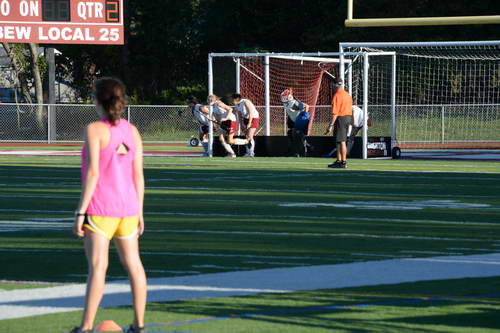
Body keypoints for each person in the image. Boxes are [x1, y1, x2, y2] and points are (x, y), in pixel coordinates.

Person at [72, 78, 147, 333]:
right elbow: (139, 175)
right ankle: (139, 325)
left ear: (98, 100)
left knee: (97, 268)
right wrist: (140, 211)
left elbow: (93, 173)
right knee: (134, 266)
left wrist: (80, 211)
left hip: (100, 207)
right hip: (128, 208)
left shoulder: (94, 129)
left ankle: (85, 327)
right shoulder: (132, 131)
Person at [324, 78, 353, 168]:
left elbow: (335, 113)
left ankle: (343, 162)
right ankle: (339, 160)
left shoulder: (337, 95)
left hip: (341, 117)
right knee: (338, 140)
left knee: (342, 141)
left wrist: (331, 125)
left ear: (335, 84)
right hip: (348, 117)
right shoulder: (347, 95)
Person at [280, 88, 309, 157]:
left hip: (300, 121)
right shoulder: (287, 103)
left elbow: (306, 106)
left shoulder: (293, 102)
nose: (283, 97)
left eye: (285, 96)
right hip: (294, 120)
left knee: (297, 136)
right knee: (291, 134)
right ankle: (295, 151)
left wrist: (304, 116)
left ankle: (302, 151)